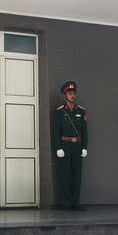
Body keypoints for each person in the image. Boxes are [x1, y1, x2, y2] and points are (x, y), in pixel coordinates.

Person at [53, 81, 88, 210]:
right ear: (65, 95)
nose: (72, 96)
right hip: (65, 145)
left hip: (77, 146)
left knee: (77, 175)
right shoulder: (60, 111)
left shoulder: (81, 111)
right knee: (65, 174)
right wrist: (58, 147)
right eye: (69, 93)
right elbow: (56, 131)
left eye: (74, 93)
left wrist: (84, 146)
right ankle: (66, 202)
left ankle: (76, 202)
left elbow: (84, 131)